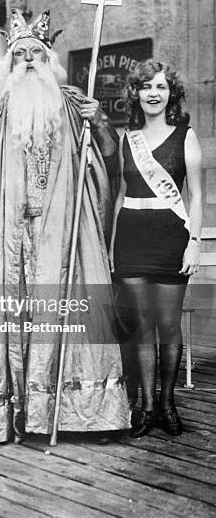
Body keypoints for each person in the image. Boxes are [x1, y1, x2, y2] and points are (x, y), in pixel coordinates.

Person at [0, 8, 130, 443]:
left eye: (37, 52)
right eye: (21, 55)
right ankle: (13, 416)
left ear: (50, 60)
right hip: (10, 229)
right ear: (10, 65)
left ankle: (83, 415)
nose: (29, 61)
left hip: (66, 229)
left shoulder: (74, 104)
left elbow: (108, 156)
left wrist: (100, 120)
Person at [112, 59, 202, 437]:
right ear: (137, 93)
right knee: (142, 325)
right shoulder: (126, 139)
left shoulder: (186, 136)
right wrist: (113, 246)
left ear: (171, 94)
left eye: (161, 87)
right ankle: (147, 407)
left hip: (170, 238)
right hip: (132, 237)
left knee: (168, 324)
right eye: (146, 86)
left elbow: (196, 197)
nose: (153, 93)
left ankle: (168, 404)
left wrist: (193, 244)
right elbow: (120, 196)